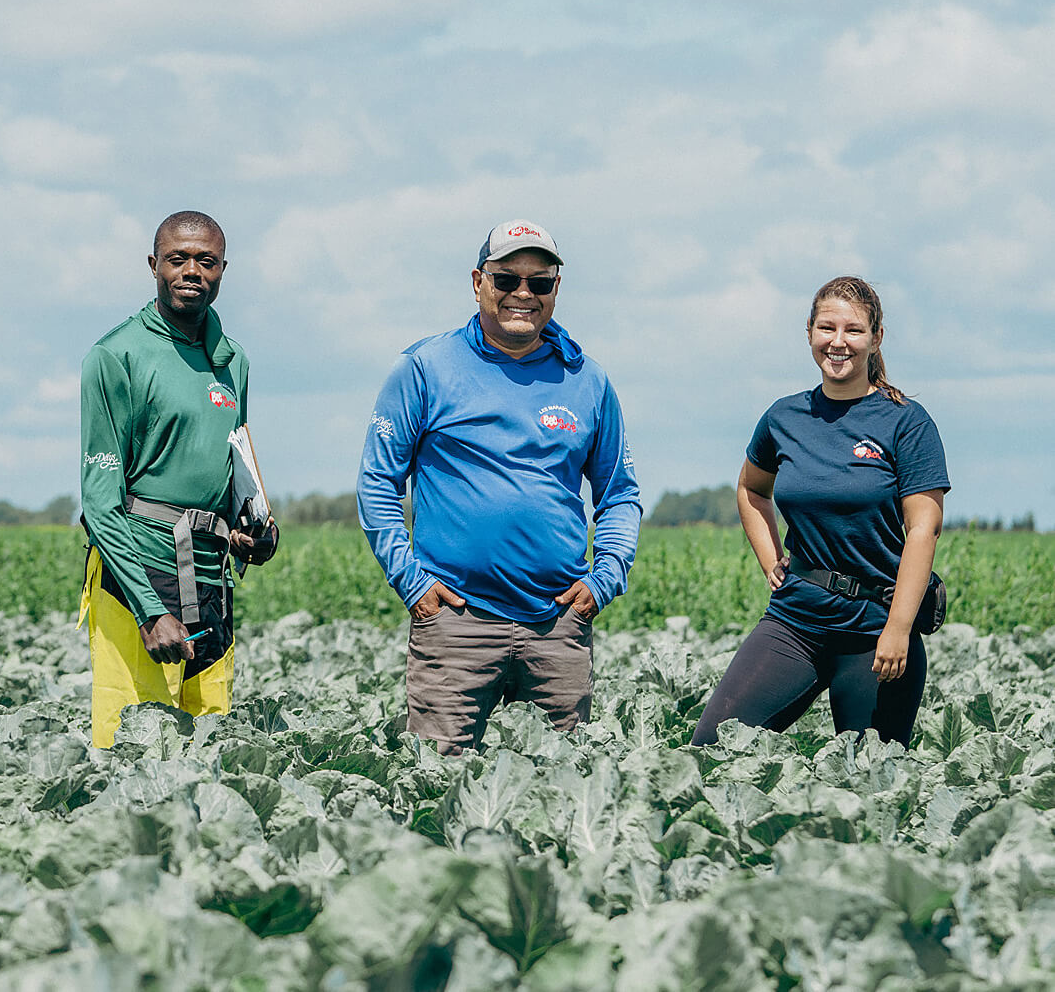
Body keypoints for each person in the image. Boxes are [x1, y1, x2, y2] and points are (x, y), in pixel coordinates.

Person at [357, 219, 642, 753]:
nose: (522, 294)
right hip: (455, 624)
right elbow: (378, 483)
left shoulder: (588, 381)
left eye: (540, 282)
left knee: (566, 793)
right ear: (477, 282)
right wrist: (412, 584)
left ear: (557, 289)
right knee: (436, 789)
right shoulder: (426, 367)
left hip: (556, 624)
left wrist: (604, 580)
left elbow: (620, 494)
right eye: (507, 279)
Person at [691, 276, 950, 748]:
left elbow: (923, 530)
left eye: (853, 330)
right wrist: (771, 560)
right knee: (713, 746)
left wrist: (897, 629)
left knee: (872, 780)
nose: (838, 342)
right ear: (809, 331)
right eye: (826, 328)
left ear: (876, 338)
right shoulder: (784, 417)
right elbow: (751, 488)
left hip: (875, 631)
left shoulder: (906, 422)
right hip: (796, 621)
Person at [78, 211, 277, 747]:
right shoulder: (115, 355)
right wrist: (148, 612)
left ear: (222, 270)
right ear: (154, 265)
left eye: (205, 261)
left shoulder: (233, 361)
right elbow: (100, 502)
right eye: (177, 259)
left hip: (212, 582)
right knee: (132, 749)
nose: (191, 270)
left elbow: (238, 464)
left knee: (209, 747)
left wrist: (257, 530)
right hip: (138, 581)